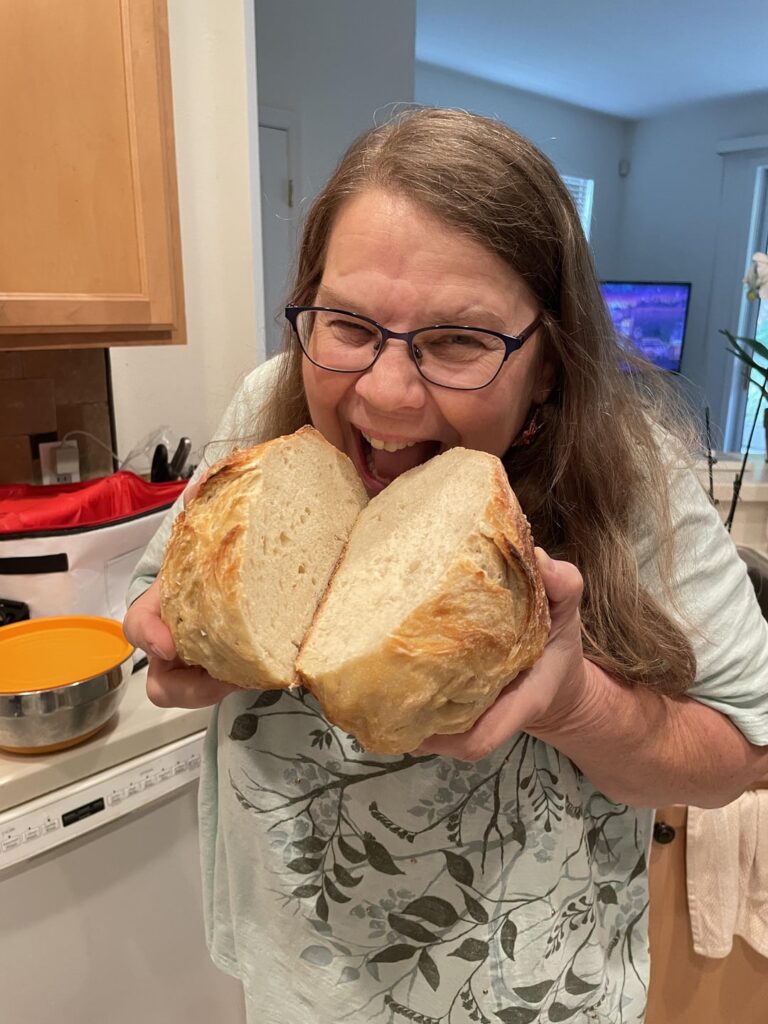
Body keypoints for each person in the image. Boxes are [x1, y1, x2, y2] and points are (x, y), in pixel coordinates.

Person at [123, 107, 768, 1024]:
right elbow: (159, 592)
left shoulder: (638, 472)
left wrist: (579, 703)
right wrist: (173, 640)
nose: (385, 392)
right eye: (346, 324)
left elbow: (746, 751)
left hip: (535, 995)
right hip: (294, 982)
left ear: (550, 360)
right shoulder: (270, 402)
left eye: (460, 341)